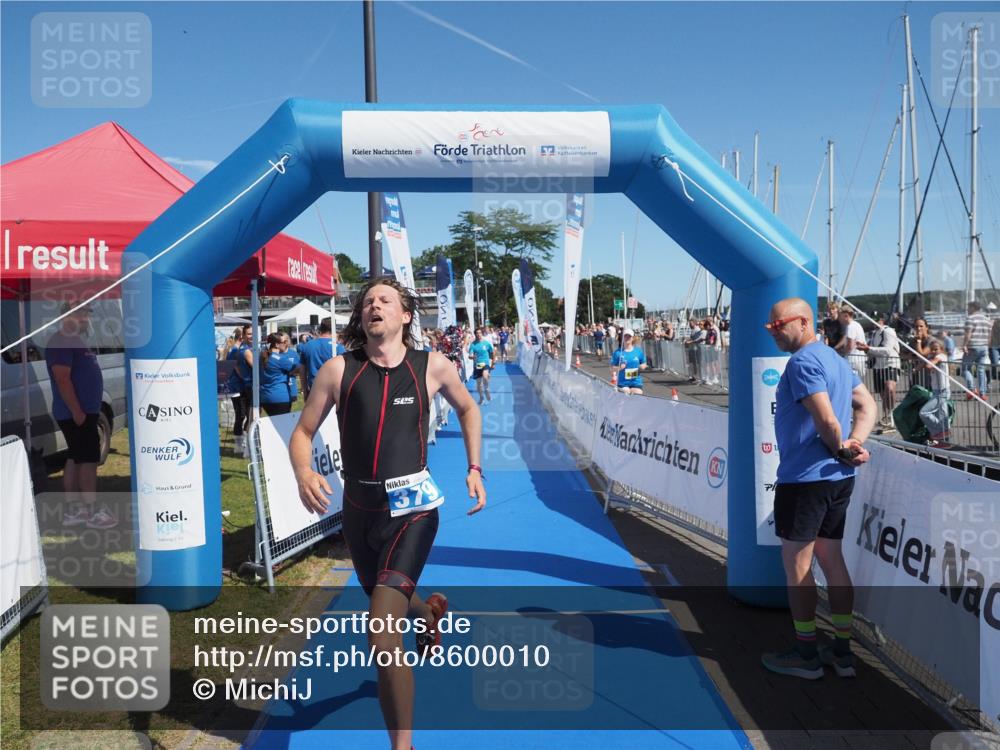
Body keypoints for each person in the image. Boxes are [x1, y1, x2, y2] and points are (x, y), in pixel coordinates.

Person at [290, 278, 485, 750]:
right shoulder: (338, 371)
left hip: (414, 512)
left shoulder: (432, 366)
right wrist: (301, 472)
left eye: (385, 301)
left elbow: (468, 409)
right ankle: (428, 612)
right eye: (367, 302)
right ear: (360, 318)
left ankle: (403, 745)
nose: (374, 306)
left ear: (405, 316)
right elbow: (302, 431)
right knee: (390, 601)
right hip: (358, 511)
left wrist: (474, 467)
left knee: (381, 632)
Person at [761, 298, 876, 681]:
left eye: (779, 325)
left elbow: (826, 418)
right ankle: (842, 652)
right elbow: (867, 406)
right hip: (837, 480)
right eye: (770, 327)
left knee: (798, 567)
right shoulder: (835, 361)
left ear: (804, 322)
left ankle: (806, 653)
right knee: (832, 559)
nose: (773, 331)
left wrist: (843, 447)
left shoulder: (804, 361)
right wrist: (854, 444)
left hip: (807, 479)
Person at [47, 303, 117, 529]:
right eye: (84, 315)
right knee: (87, 461)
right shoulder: (62, 341)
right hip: (77, 414)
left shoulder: (74, 340)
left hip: (83, 412)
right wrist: (77, 411)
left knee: (75, 458)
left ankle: (74, 511)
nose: (87, 319)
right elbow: (62, 378)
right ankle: (92, 511)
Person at [856, 313, 900, 430]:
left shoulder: (889, 331)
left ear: (881, 320)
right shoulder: (874, 334)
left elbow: (888, 350)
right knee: (883, 394)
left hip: (890, 364)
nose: (872, 322)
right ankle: (887, 416)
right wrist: (866, 350)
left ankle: (891, 416)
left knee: (889, 388)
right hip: (878, 366)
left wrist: (868, 348)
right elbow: (873, 351)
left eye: (874, 320)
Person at [298, 318, 344, 400]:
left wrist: (305, 390)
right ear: (334, 329)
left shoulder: (307, 346)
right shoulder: (338, 347)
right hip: (334, 391)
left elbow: (302, 371)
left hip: (314, 389)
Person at [918, 338, 952, 447]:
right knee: (943, 416)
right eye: (931, 350)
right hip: (936, 391)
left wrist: (928, 361)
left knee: (924, 412)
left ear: (941, 349)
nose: (933, 352)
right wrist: (918, 367)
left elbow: (929, 365)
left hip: (943, 391)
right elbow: (923, 362)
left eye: (935, 349)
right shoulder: (932, 357)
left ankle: (939, 432)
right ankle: (944, 441)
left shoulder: (941, 357)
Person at [962, 301, 991, 399]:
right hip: (984, 346)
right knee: (981, 370)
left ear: (973, 308)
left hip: (973, 346)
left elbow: (968, 333)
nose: (968, 310)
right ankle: (982, 393)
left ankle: (971, 390)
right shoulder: (987, 319)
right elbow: (989, 335)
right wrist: (987, 345)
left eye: (969, 308)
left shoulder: (970, 319)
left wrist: (964, 345)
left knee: (965, 368)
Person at [609, 328, 648, 394]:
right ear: (623, 338)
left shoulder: (638, 351)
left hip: (636, 381)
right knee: (625, 392)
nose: (627, 338)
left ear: (632, 338)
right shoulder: (618, 352)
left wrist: (642, 366)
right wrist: (619, 368)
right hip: (623, 383)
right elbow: (611, 368)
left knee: (638, 393)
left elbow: (644, 363)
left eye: (629, 336)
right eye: (625, 336)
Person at [837, 307, 867, 379]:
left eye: (840, 316)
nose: (838, 318)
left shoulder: (850, 327)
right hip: (860, 359)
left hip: (853, 360)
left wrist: (843, 353)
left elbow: (850, 345)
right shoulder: (857, 324)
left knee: (852, 384)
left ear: (846, 316)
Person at [468, 328, 496, 404]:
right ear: (475, 334)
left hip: (486, 363)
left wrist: (493, 363)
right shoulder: (473, 345)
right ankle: (481, 398)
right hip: (477, 365)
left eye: (480, 333)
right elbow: (470, 356)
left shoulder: (486, 343)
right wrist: (472, 357)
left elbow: (492, 352)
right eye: (477, 333)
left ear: (482, 334)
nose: (479, 334)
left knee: (485, 376)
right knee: (479, 384)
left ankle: (487, 390)